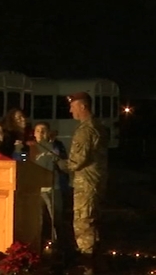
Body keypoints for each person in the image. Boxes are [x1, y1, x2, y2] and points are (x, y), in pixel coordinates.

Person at [57, 92, 108, 274]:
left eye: (72, 106)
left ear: (82, 106)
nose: (70, 110)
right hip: (95, 180)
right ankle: (94, 259)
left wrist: (60, 163)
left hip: (86, 183)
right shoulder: (98, 126)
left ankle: (87, 262)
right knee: (93, 221)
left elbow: (77, 160)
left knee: (83, 222)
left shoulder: (86, 130)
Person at [32, 121, 70, 254]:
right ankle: (37, 247)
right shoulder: (30, 147)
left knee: (57, 218)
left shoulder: (55, 146)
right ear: (34, 133)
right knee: (37, 220)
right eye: (38, 130)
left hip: (54, 187)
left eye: (44, 130)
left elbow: (63, 164)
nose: (41, 133)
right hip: (36, 189)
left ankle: (58, 247)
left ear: (48, 132)